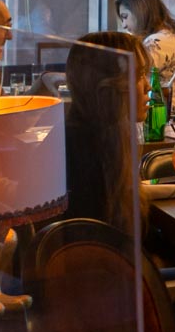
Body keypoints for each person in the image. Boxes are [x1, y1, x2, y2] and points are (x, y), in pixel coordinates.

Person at [61, 31, 148, 224]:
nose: (148, 86)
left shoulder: (108, 137)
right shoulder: (81, 151)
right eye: (140, 75)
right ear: (112, 84)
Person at [117, 0, 175, 113]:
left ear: (140, 12)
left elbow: (131, 77)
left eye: (125, 17)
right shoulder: (166, 35)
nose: (124, 25)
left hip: (165, 115)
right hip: (169, 111)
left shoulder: (156, 42)